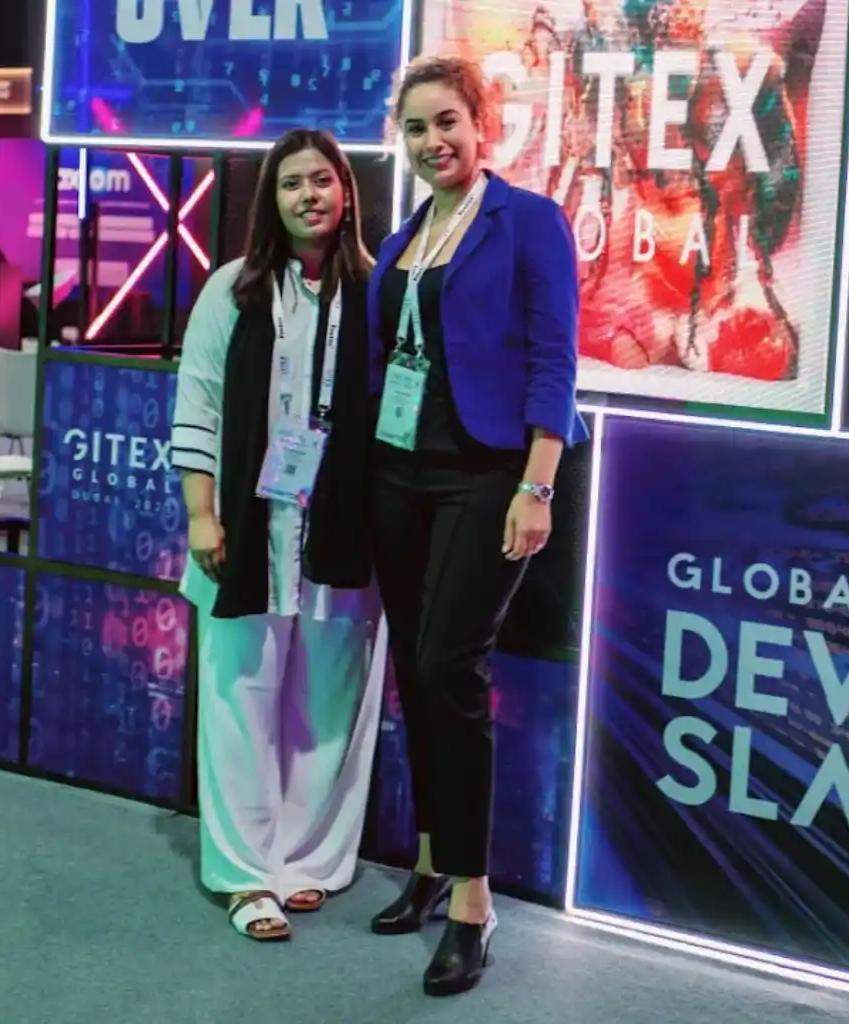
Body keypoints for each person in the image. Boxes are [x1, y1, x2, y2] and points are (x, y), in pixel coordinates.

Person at [367, 55, 587, 996]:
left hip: (489, 474)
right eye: (416, 128)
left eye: (447, 121)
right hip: (397, 474)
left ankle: (473, 900)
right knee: (417, 669)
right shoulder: (404, 236)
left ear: (481, 121)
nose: (432, 142)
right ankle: (428, 856)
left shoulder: (529, 221)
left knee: (454, 666)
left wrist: (537, 484)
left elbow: (554, 355)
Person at [171, 128, 384, 943]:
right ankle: (244, 873)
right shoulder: (233, 290)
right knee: (239, 702)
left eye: (322, 181)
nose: (309, 196)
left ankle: (309, 862)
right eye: (292, 183)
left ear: (346, 192)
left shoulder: (376, 290)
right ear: (272, 200)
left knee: (329, 706)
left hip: (342, 533)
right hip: (248, 532)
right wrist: (202, 513)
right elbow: (198, 406)